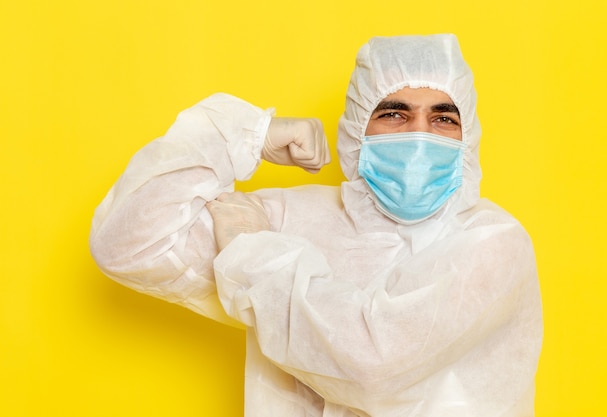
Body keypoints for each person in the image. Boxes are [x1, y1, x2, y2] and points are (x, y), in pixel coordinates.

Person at [90, 34, 543, 417]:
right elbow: (128, 246)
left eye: (443, 117)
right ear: (356, 131)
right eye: (394, 113)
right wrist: (247, 139)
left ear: (469, 136)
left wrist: (254, 253)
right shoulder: (294, 219)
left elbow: (371, 367)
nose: (418, 135)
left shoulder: (493, 242)